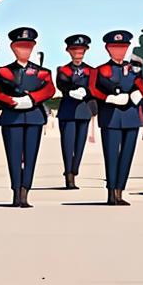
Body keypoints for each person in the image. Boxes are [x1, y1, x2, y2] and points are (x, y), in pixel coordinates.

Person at [0, 27, 55, 208]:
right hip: (12, 117)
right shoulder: (3, 72)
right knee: (14, 156)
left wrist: (32, 99)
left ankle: (25, 190)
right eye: (20, 47)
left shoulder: (42, 72)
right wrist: (12, 101)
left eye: (27, 47)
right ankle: (16, 191)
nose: (24, 50)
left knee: (31, 157)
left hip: (33, 116)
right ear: (12, 48)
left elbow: (50, 89)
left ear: (32, 48)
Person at [89, 31, 143, 205]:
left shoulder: (134, 68)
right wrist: (108, 98)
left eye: (123, 47)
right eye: (115, 47)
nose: (119, 51)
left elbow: (142, 87)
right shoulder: (100, 70)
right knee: (111, 155)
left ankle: (120, 190)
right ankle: (111, 192)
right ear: (108, 49)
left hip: (130, 115)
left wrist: (139, 93)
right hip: (111, 116)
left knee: (127, 155)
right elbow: (93, 89)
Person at [56, 34, 95, 190]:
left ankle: (75, 168)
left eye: (81, 50)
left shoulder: (91, 70)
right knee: (67, 144)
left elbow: (94, 87)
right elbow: (62, 84)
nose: (78, 53)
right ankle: (68, 173)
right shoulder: (63, 69)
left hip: (83, 110)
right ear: (69, 51)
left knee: (79, 145)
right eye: (74, 50)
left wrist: (86, 91)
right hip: (68, 111)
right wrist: (71, 90)